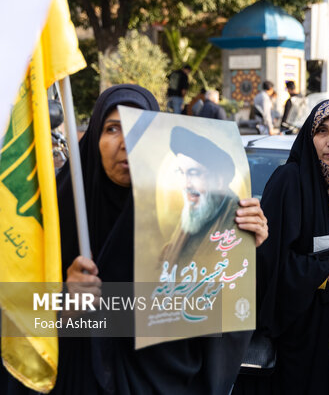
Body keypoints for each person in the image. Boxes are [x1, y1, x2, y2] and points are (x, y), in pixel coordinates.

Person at [0, 84, 268, 395]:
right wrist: (63, 304)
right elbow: (14, 321)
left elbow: (223, 319)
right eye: (112, 128)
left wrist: (245, 248)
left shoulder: (193, 219)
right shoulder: (53, 216)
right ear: (94, 138)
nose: (126, 142)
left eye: (139, 129)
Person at [234, 99, 329, 394]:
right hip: (297, 340)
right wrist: (322, 270)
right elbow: (264, 262)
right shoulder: (289, 181)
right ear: (310, 136)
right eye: (322, 131)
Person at [159, 126, 238, 266]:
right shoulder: (194, 213)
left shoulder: (238, 219)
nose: (185, 185)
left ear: (219, 181)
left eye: (194, 173)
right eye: (182, 173)